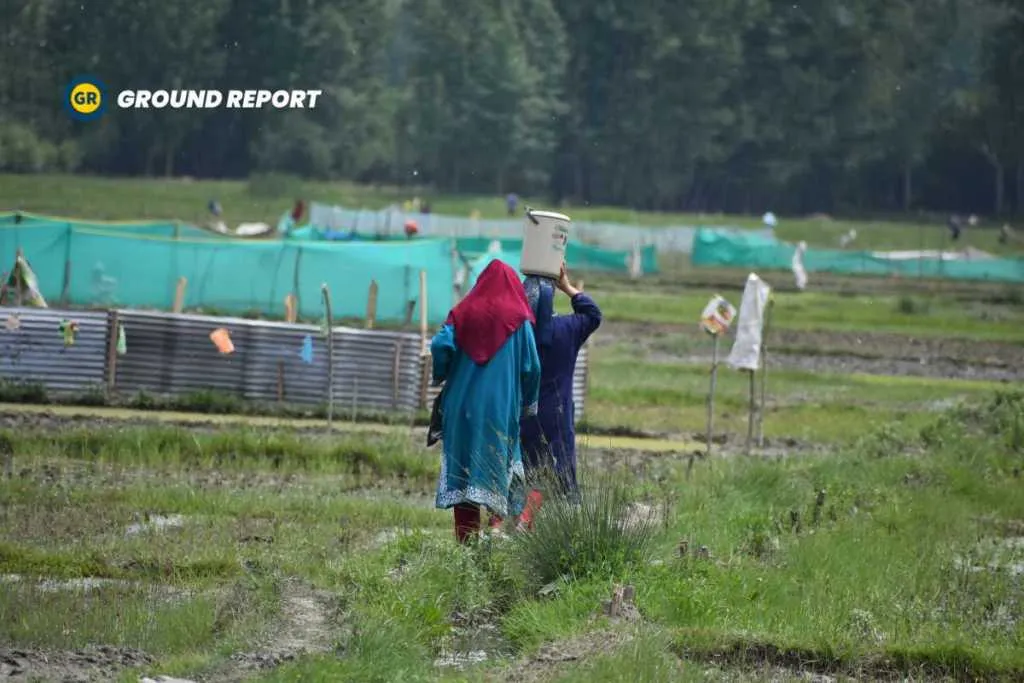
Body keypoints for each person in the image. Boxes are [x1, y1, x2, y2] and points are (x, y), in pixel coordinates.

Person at [430, 260, 542, 543]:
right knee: (500, 468)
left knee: (463, 470)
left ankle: (467, 545)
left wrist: (443, 373)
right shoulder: (519, 321)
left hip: (460, 408)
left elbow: (440, 345)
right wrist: (528, 404)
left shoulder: (462, 313)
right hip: (499, 408)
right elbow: (533, 368)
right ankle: (496, 536)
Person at [516, 263, 602, 529]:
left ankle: (520, 520)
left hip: (524, 412)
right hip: (558, 411)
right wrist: (566, 286)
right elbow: (593, 314)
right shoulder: (567, 328)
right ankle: (565, 520)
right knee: (561, 464)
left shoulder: (517, 333)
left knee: (527, 467)